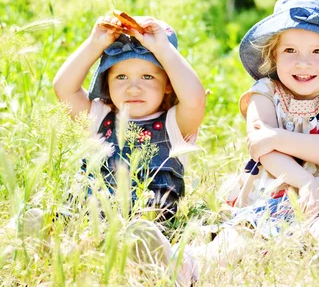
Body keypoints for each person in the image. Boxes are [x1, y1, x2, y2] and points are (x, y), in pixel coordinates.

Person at [127, 0, 319, 283]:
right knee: (239, 236)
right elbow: (259, 147)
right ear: (273, 55)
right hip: (266, 194)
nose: (303, 63)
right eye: (290, 51)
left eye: (318, 52)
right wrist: (303, 181)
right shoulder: (264, 92)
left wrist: (275, 137)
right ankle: (183, 264)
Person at [53, 14, 206, 219]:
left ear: (169, 84)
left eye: (148, 76)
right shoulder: (99, 116)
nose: (133, 89)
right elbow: (64, 89)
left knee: (147, 223)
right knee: (71, 209)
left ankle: (146, 242)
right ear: (107, 83)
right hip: (92, 217)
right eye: (121, 77)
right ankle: (43, 229)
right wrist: (94, 45)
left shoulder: (174, 125)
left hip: (148, 220)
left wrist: (164, 50)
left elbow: (195, 101)